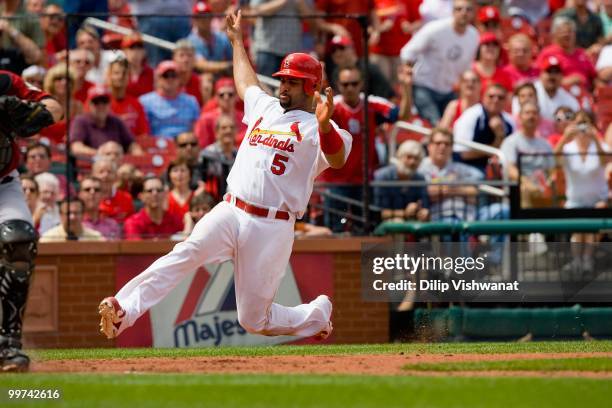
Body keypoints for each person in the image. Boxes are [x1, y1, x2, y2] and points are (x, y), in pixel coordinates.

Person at [98, 10, 352, 342]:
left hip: (272, 226)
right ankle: (124, 310)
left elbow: (338, 157)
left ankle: (315, 314)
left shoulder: (321, 127)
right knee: (186, 251)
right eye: (283, 78)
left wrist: (322, 125)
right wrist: (236, 42)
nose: (283, 85)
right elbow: (246, 82)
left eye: (291, 80)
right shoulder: (267, 107)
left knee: (253, 320)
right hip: (231, 209)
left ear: (310, 85)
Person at [0, 69, 61, 371]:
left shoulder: (5, 81)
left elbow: (55, 108)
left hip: (4, 183)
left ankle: (8, 345)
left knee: (19, 241)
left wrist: (29, 114)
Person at [319, 64, 409, 232]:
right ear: (338, 85)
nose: (350, 88)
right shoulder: (332, 106)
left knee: (365, 231)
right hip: (336, 182)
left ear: (361, 84)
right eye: (345, 84)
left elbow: (403, 115)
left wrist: (407, 86)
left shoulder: (372, 104)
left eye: (354, 83)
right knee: (336, 231)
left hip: (363, 181)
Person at [399, 0, 479, 125]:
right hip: (424, 87)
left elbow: (467, 66)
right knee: (436, 124)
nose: (464, 13)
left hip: (449, 90)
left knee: (454, 125)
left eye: (468, 10)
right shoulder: (435, 29)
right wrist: (407, 73)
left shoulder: (474, 36)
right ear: (453, 11)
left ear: (474, 13)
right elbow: (408, 51)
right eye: (459, 9)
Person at [418, 127, 483, 222]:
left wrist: (446, 189)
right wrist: (458, 187)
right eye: (438, 143)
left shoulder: (460, 168)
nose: (442, 147)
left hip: (469, 216)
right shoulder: (421, 168)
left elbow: (474, 193)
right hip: (439, 217)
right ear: (429, 146)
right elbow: (428, 194)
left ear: (452, 147)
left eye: (447, 144)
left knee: (501, 210)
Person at [500, 102, 555, 208]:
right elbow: (510, 169)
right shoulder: (511, 142)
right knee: (524, 190)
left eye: (534, 113)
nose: (531, 116)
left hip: (542, 191)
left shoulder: (545, 144)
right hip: (521, 191)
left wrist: (547, 185)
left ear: (539, 118)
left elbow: (552, 170)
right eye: (527, 113)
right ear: (520, 117)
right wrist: (527, 184)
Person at [453, 83, 515, 172]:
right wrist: (497, 142)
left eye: (500, 97)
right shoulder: (471, 116)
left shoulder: (509, 121)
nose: (495, 100)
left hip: (499, 169)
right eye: (491, 96)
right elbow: (461, 154)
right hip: (467, 166)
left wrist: (500, 135)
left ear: (506, 101)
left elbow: (511, 154)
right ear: (483, 97)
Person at [69, 86, 142, 157]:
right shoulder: (80, 121)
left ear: (109, 104)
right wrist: (101, 154)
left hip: (117, 164)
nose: (101, 106)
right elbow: (76, 148)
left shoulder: (116, 121)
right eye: (96, 102)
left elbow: (132, 145)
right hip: (90, 166)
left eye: (104, 101)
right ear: (89, 104)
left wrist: (139, 157)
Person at [139, 60, 200, 139]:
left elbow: (196, 130)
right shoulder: (145, 102)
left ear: (179, 79)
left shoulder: (191, 101)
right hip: (158, 146)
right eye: (165, 75)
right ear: (158, 78)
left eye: (173, 75)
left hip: (184, 146)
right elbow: (143, 133)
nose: (170, 79)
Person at [373, 139, 429, 222]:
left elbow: (424, 205)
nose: (412, 162)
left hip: (412, 223)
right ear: (400, 157)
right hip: (385, 225)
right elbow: (379, 212)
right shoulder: (383, 176)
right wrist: (405, 213)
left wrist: (422, 212)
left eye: (416, 159)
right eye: (409, 157)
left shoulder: (420, 178)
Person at [123, 176, 183, 240]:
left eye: (159, 190)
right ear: (141, 196)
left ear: (165, 194)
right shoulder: (133, 223)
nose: (155, 193)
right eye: (149, 191)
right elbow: (135, 248)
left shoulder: (176, 220)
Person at [107, 54, 150, 140]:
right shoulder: (99, 100)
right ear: (109, 76)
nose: (120, 77)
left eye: (124, 73)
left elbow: (144, 134)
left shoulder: (136, 104)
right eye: (116, 73)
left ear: (128, 77)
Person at [195, 77, 247, 147]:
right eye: (222, 95)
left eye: (230, 94)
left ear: (236, 96)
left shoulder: (245, 118)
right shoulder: (206, 120)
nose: (226, 98)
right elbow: (202, 145)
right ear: (216, 97)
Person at [188, 1, 232, 75]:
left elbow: (233, 58)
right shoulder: (190, 41)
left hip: (222, 79)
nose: (203, 19)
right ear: (194, 20)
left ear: (211, 18)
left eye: (206, 16)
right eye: (199, 17)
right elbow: (200, 65)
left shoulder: (222, 38)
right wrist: (227, 66)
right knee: (206, 79)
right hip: (200, 79)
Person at [534, 56, 580, 122]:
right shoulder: (530, 91)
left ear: (562, 76)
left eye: (556, 72)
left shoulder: (567, 98)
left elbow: (576, 116)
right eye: (549, 71)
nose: (553, 76)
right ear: (541, 74)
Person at [39, 198, 105, 242]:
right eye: (68, 213)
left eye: (76, 213)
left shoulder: (96, 238)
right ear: (60, 215)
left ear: (83, 215)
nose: (72, 217)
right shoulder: (48, 239)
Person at [93, 157, 134, 223]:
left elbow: (130, 222)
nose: (105, 175)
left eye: (109, 172)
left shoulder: (126, 198)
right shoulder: (88, 198)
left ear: (116, 176)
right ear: (93, 175)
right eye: (101, 172)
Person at [78, 176, 121, 240]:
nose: (92, 192)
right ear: (80, 194)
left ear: (102, 195)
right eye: (87, 189)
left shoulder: (112, 225)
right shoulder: (74, 222)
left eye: (97, 190)